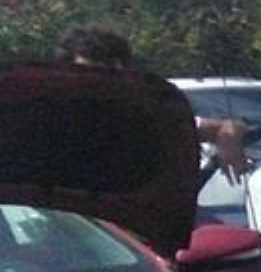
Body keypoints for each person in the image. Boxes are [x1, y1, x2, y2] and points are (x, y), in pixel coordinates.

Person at [61, 24, 245, 175]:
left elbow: (226, 127)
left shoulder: (144, 118)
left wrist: (227, 137)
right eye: (85, 75)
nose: (97, 86)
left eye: (109, 76)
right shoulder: (49, 115)